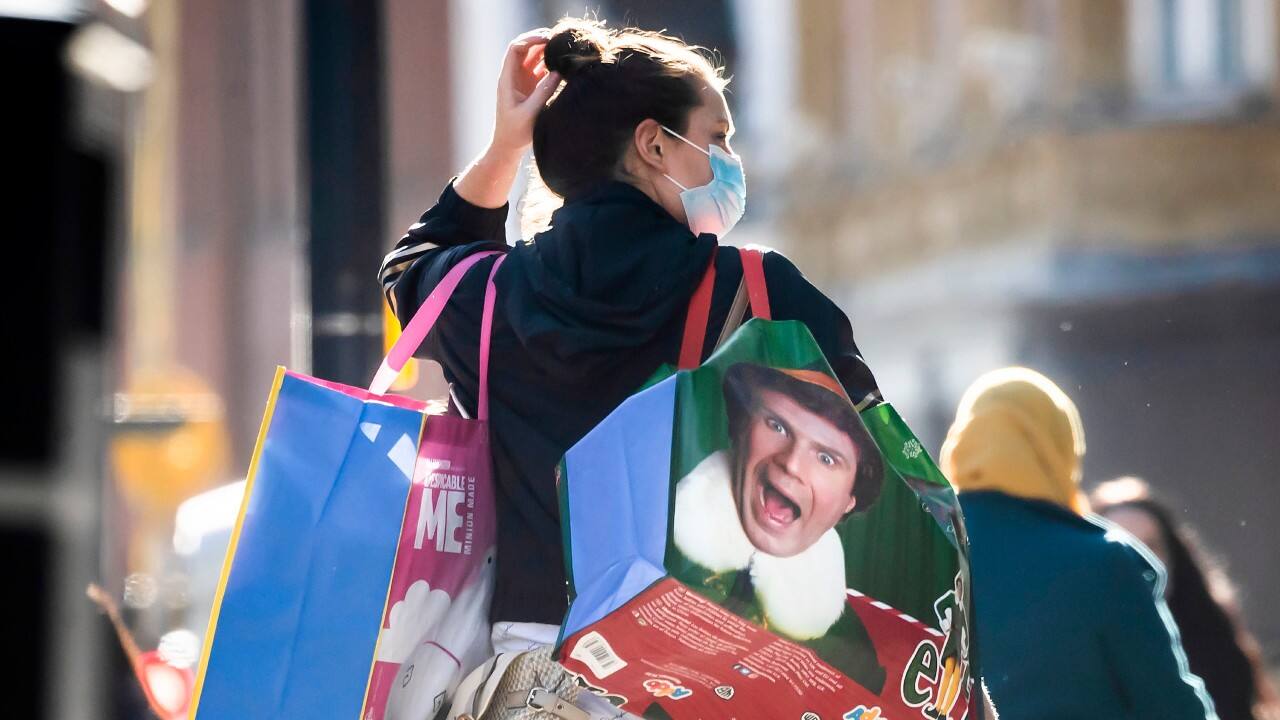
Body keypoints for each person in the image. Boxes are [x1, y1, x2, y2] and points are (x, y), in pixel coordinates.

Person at [378, 18, 880, 636]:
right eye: (717, 138)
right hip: (690, 666)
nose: (729, 162)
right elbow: (874, 452)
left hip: (530, 673)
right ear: (654, 145)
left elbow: (410, 271)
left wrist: (506, 145)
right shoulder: (757, 292)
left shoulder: (486, 297)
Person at [940, 366, 1218, 719]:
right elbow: (1173, 709)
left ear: (963, 443)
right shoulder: (1102, 561)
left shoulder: (920, 554)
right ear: (1059, 449)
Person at [669, 362, 886, 691]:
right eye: (777, 426)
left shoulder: (855, 662)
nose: (791, 463)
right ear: (743, 429)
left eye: (826, 458)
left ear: (849, 500)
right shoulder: (646, 532)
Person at [1092, 477, 1280, 720]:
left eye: (1150, 546)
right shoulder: (1084, 652)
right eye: (1123, 550)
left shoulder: (1216, 637)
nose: (1140, 562)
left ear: (1173, 553)